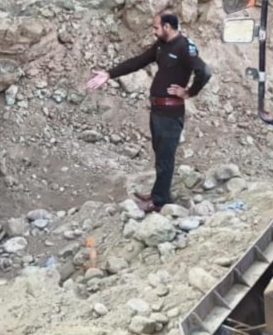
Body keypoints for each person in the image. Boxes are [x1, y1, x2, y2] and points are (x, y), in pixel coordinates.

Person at [86, 11, 212, 213]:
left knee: (166, 156)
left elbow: (204, 72)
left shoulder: (183, 47)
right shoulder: (162, 45)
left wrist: (189, 92)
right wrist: (109, 74)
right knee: (160, 154)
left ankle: (159, 201)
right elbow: (139, 61)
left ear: (167, 27)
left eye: (156, 27)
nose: (154, 31)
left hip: (171, 112)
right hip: (158, 110)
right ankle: (158, 193)